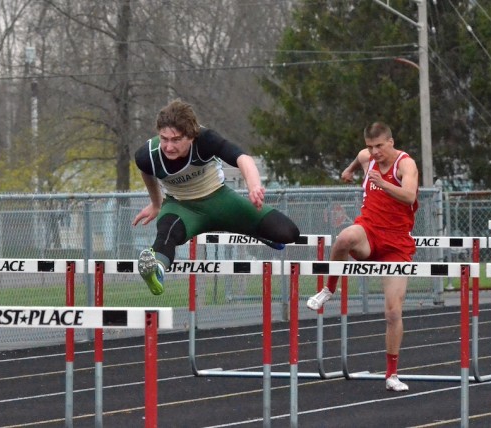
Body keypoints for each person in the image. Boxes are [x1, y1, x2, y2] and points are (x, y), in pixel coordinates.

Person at [132, 99, 301, 295]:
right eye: (164, 139)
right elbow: (147, 171)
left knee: (289, 233)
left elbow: (242, 158)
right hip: (182, 208)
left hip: (220, 201)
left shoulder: (206, 140)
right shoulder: (148, 155)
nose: (169, 147)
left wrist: (253, 186)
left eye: (176, 140)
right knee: (166, 233)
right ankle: (156, 270)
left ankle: (256, 231)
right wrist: (156, 203)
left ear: (192, 136)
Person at [306, 121, 419, 392]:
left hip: (396, 244)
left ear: (390, 142)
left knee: (392, 313)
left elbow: (409, 196)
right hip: (369, 232)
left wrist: (382, 183)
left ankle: (391, 374)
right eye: (371, 146)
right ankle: (328, 289)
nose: (375, 152)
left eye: (379, 146)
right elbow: (359, 157)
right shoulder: (366, 156)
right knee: (344, 238)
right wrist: (349, 169)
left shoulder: (406, 165)